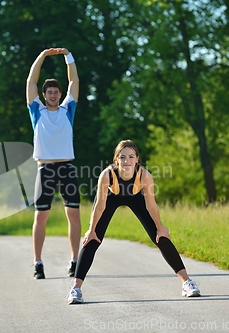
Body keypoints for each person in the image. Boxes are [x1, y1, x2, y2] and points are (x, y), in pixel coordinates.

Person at [67, 139, 201, 304]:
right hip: (111, 198)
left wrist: (160, 228)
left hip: (136, 198)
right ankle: (76, 289)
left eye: (131, 157)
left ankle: (187, 283)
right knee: (92, 240)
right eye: (122, 157)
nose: (127, 161)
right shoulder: (107, 175)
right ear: (116, 160)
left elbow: (151, 206)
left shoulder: (144, 175)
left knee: (161, 237)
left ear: (137, 159)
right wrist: (91, 229)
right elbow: (100, 206)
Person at [26, 48, 81, 279]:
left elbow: (74, 80)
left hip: (66, 168)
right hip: (45, 169)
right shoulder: (36, 110)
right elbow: (31, 80)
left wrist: (68, 56)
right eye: (49, 92)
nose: (52, 95)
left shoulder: (68, 109)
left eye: (56, 92)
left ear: (60, 94)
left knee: (74, 214)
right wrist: (43, 56)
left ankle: (75, 261)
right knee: (40, 216)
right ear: (44, 94)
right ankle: (38, 263)